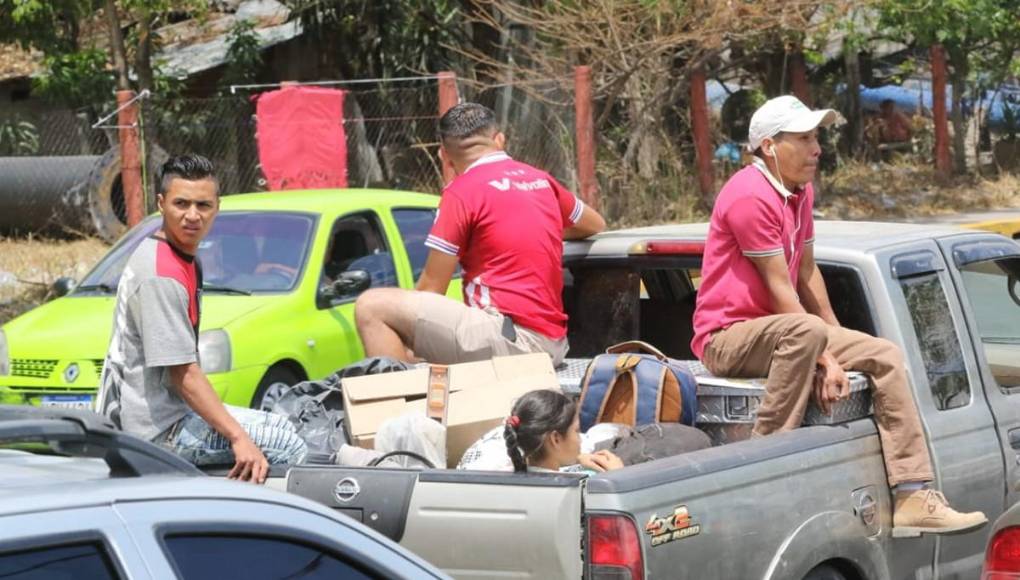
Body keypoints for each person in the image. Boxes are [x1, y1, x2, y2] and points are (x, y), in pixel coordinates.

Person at [690, 95, 986, 537]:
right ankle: (762, 467)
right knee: (808, 331)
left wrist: (836, 337)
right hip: (727, 338)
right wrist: (827, 358)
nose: (817, 149)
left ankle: (912, 494)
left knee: (885, 355)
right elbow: (780, 287)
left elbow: (808, 272)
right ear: (769, 146)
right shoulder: (749, 194)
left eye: (816, 138)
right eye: (804, 139)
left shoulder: (799, 192)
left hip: (790, 333)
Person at [96, 154, 306, 483]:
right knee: (288, 447)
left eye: (203, 205)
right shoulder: (160, 273)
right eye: (181, 204)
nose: (193, 215)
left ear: (217, 207)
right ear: (161, 204)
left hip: (171, 415)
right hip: (153, 432)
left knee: (284, 424)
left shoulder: (183, 257)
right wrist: (238, 437)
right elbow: (184, 374)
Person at [355, 102, 606, 366]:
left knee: (371, 306)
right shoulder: (540, 179)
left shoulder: (461, 192)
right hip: (552, 342)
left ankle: (399, 393)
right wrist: (540, 230)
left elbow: (431, 290)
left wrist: (407, 345)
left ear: (444, 155)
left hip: (510, 339)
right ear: (500, 140)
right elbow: (595, 224)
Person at [503, 390, 624, 474]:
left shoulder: (505, 478)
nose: (580, 439)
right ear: (555, 439)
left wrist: (578, 461)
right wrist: (619, 476)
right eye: (576, 431)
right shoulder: (583, 490)